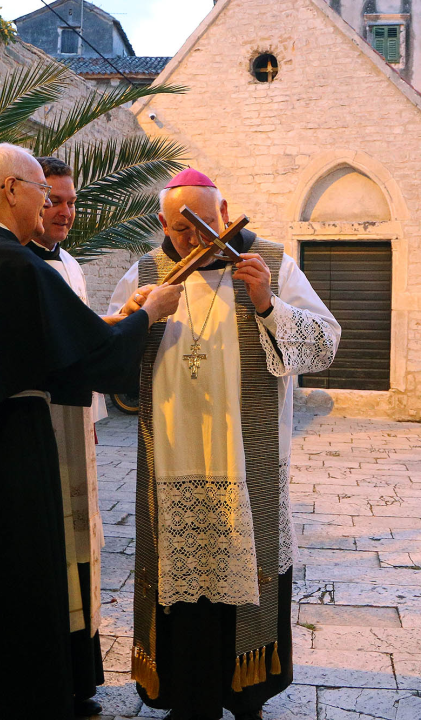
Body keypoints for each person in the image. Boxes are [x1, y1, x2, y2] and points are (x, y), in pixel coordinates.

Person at [0, 143, 183, 720]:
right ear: (11, 190)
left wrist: (112, 321)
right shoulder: (10, 262)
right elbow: (92, 360)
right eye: (40, 189)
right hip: (5, 460)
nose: (48, 203)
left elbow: (41, 342)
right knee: (12, 595)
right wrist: (149, 314)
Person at [107, 168, 340, 720]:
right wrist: (135, 317)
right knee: (179, 582)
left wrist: (266, 303)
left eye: (208, 224)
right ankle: (184, 694)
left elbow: (325, 345)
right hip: (173, 460)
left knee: (246, 574)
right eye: (183, 229)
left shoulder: (272, 264)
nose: (197, 239)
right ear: (164, 223)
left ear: (226, 211)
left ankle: (246, 693)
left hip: (246, 463)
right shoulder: (146, 272)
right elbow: (106, 353)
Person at [26, 155, 111, 717]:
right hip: (43, 425)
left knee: (85, 547)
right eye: (54, 200)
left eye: (72, 201)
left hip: (76, 422)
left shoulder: (72, 264)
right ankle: (53, 676)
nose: (64, 212)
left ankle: (82, 676)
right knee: (51, 551)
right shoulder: (20, 264)